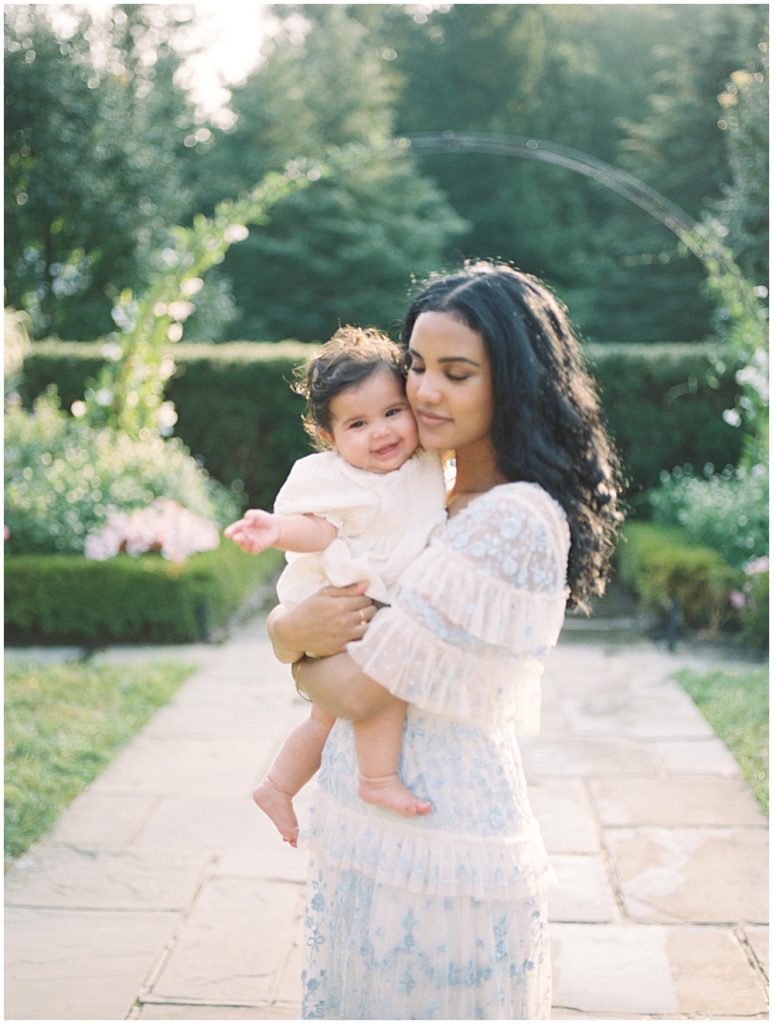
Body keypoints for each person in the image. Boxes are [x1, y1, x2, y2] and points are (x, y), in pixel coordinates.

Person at [266, 261, 624, 1020]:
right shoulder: (428, 482)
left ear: (515, 382)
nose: (424, 392)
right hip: (367, 821)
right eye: (418, 366)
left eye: (456, 373)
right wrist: (297, 628)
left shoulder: (512, 517)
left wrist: (284, 639)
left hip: (442, 831)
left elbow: (361, 687)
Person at [225, 326, 447, 847]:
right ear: (329, 436)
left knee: (323, 719)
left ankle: (277, 786)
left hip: (379, 602)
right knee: (382, 681)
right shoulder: (331, 478)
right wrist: (276, 529)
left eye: (393, 412)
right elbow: (317, 529)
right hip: (348, 598)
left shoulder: (427, 466)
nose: (382, 432)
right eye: (358, 423)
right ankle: (378, 779)